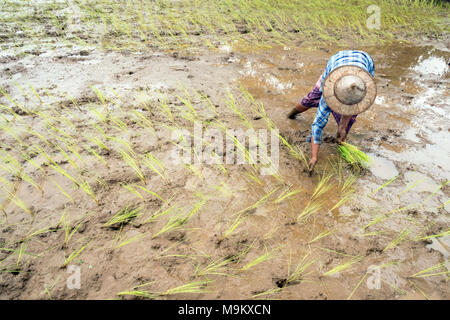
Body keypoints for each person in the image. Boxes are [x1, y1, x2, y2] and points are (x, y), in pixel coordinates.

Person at [287, 50, 376, 173]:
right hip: (335, 66)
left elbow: (353, 106)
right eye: (342, 103)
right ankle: (291, 114)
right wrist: (314, 156)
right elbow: (317, 125)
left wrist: (343, 126)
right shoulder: (328, 92)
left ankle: (341, 139)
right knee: (311, 98)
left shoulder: (360, 90)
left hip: (363, 64)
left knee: (348, 120)